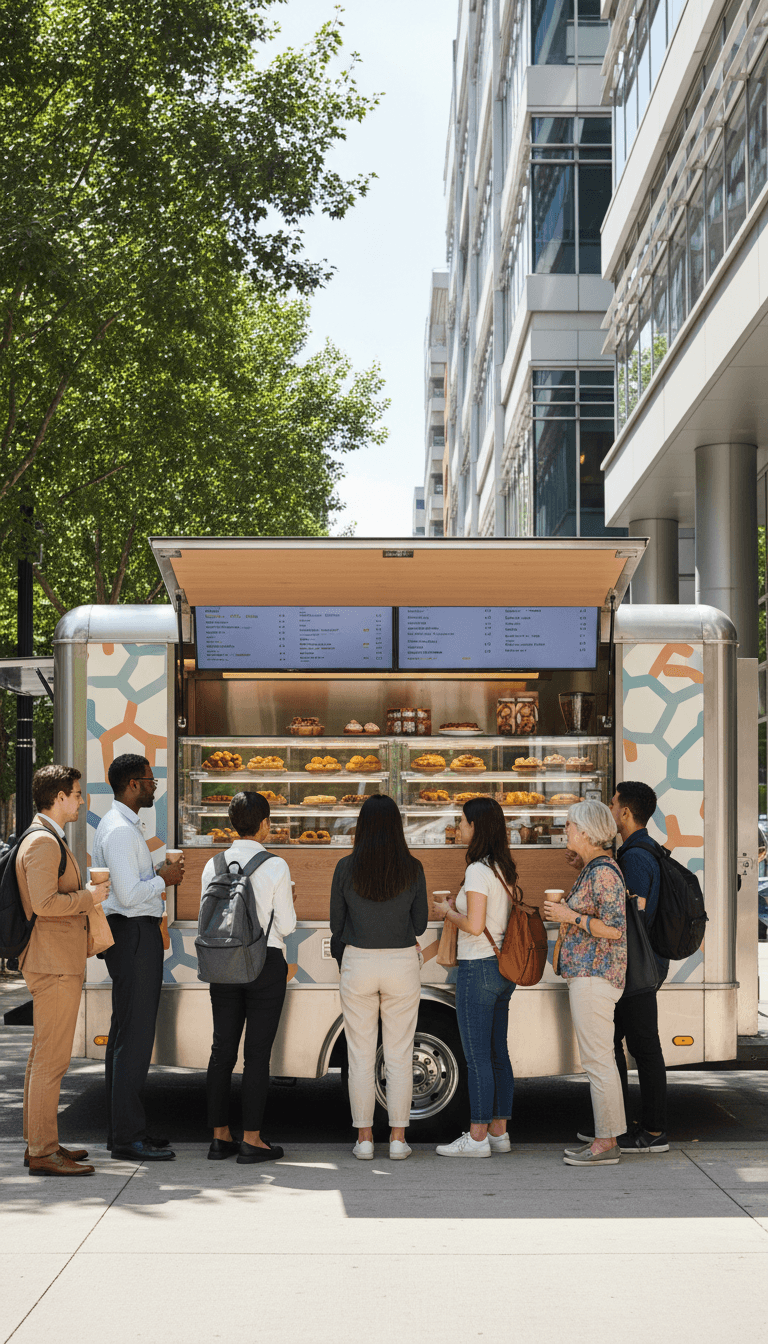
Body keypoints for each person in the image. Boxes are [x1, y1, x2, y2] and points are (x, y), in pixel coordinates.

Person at [17, 765, 110, 1176]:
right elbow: (44, 904)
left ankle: (41, 1143)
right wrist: (89, 897)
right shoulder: (43, 842)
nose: (80, 800)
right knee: (51, 1061)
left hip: (53, 960)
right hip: (52, 962)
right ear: (58, 797)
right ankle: (42, 1151)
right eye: (76, 793)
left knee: (44, 1056)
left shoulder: (46, 837)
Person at [92, 753, 184, 1161]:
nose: (153, 788)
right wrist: (163, 878)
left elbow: (128, 886)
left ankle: (124, 1132)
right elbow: (128, 896)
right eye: (149, 781)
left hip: (130, 936)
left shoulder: (121, 826)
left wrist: (156, 875)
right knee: (134, 1038)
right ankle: (128, 1138)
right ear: (132, 784)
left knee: (124, 1036)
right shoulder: (120, 831)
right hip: (132, 936)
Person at [330, 794, 428, 1160]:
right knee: (400, 1054)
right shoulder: (412, 867)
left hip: (358, 961)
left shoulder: (345, 867)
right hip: (401, 962)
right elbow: (420, 924)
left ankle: (365, 1139)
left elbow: (336, 924)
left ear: (362, 827)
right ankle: (399, 1139)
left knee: (360, 1055)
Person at [201, 791, 296, 1164]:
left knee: (221, 1050)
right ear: (265, 824)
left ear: (231, 824)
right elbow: (286, 926)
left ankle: (219, 1137)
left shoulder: (213, 865)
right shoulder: (275, 865)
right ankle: (252, 1140)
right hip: (263, 963)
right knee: (256, 1054)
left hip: (222, 962)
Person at [543, 800, 627, 1167]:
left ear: (586, 832)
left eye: (569, 825)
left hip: (596, 975)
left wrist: (569, 915)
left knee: (598, 1061)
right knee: (598, 1060)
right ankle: (606, 1136)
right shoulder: (594, 868)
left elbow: (615, 929)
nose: (566, 830)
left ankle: (606, 1143)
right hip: (589, 974)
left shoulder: (603, 872)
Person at [432, 797, 516, 1159]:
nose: (458, 828)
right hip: (502, 969)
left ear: (476, 827)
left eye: (463, 822)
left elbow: (475, 924)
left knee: (477, 1057)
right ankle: (499, 1133)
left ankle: (477, 1138)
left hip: (478, 968)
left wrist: (447, 911)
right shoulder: (502, 867)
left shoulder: (478, 871)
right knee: (498, 1054)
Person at [607, 781, 670, 1153]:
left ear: (626, 812)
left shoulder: (635, 858)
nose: (610, 809)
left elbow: (633, 915)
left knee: (643, 1048)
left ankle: (653, 1131)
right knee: (615, 1043)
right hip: (640, 964)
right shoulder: (641, 849)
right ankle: (616, 1126)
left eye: (613, 803)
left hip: (637, 967)